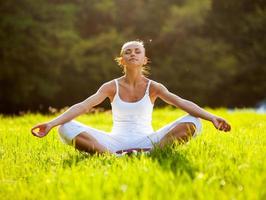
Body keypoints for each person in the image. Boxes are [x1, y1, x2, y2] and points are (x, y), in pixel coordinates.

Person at [31, 40, 231, 155]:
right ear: (122, 60)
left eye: (137, 51)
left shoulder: (154, 87)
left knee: (193, 122)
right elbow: (84, 106)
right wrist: (51, 123)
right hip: (114, 143)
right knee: (65, 128)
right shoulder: (111, 86)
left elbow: (181, 103)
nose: (132, 54)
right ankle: (113, 159)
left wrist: (212, 117)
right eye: (128, 52)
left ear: (144, 59)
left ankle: (150, 156)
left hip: (149, 142)